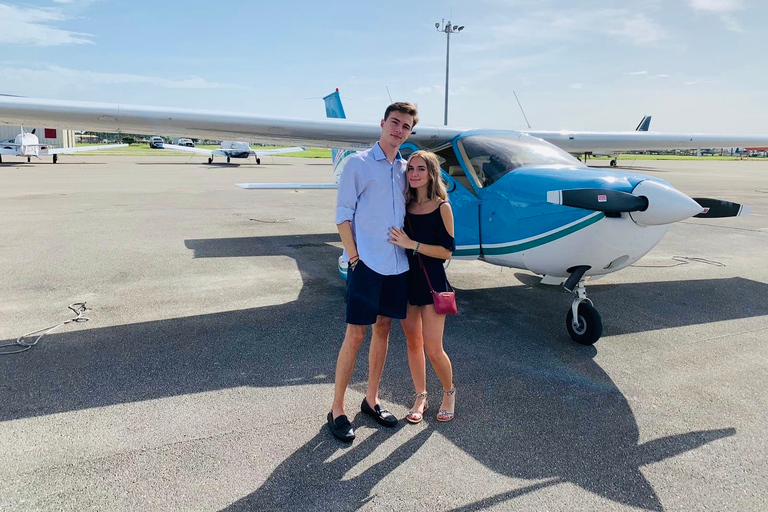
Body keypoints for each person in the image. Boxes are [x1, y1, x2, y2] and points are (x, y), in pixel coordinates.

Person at [328, 102, 419, 442]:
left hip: (397, 266)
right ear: (382, 124)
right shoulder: (358, 164)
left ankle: (371, 399)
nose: (399, 130)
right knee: (355, 335)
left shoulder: (408, 169)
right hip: (366, 264)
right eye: (394, 123)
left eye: (406, 126)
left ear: (410, 132)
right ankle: (336, 408)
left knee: (383, 331)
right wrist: (354, 259)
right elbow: (342, 215)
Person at [388, 151, 456, 423]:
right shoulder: (403, 206)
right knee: (412, 343)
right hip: (406, 280)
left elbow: (447, 252)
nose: (414, 174)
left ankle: (449, 392)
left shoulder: (443, 207)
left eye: (420, 169)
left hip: (432, 282)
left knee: (433, 348)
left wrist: (412, 245)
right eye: (411, 169)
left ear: (431, 174)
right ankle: (420, 396)